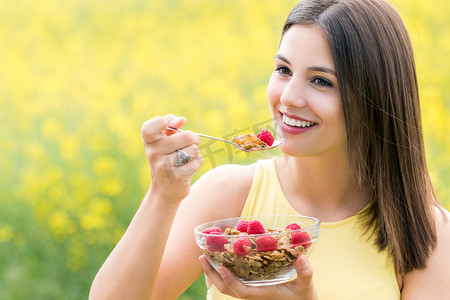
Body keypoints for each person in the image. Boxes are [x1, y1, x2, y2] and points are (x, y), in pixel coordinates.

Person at [89, 0, 450, 299]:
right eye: (283, 70)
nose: (288, 98)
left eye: (321, 81)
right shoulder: (229, 195)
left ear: (375, 98)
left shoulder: (426, 231)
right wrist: (162, 194)